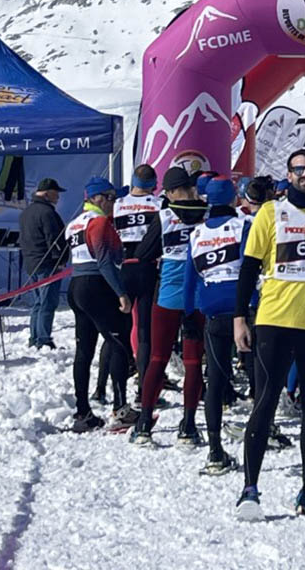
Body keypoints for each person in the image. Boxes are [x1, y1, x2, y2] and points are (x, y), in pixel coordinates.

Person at [233, 149, 305, 521]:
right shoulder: (270, 212)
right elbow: (248, 268)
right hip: (274, 320)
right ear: (289, 174)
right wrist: (239, 318)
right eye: (298, 169)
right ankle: (250, 489)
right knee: (265, 402)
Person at [129, 167, 208, 446]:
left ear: (172, 192)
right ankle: (188, 425)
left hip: (169, 296)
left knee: (158, 359)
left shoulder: (164, 216)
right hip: (199, 296)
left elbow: (142, 254)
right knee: (193, 362)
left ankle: (144, 424)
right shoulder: (207, 214)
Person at [184, 177, 250, 474]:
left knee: (216, 380)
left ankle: (214, 449)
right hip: (244, 310)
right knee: (257, 375)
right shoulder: (243, 226)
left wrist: (188, 316)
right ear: (233, 198)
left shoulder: (196, 233)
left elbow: (190, 278)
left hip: (211, 312)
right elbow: (252, 267)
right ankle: (265, 432)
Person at [64, 177, 137, 432]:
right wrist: (121, 293)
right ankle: (120, 410)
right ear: (96, 198)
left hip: (77, 287)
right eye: (110, 198)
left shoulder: (75, 223)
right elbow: (105, 261)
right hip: (97, 285)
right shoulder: (99, 222)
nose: (113, 204)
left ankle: (83, 411)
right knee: (118, 344)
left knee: (84, 350)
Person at [112, 164, 162, 391]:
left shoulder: (118, 204)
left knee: (119, 329)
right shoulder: (158, 204)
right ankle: (144, 386)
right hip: (147, 267)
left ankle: (109, 386)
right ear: (153, 185)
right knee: (144, 330)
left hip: (123, 268)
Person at [18, 178, 67, 349]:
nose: (58, 197)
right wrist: (60, 260)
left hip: (31, 263)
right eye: (56, 193)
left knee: (38, 302)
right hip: (47, 264)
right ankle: (43, 339)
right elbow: (54, 240)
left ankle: (34, 337)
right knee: (48, 302)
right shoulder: (47, 213)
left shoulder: (27, 212)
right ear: (47, 193)